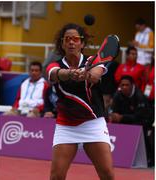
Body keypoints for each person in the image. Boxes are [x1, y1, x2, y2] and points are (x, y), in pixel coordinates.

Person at [46, 23, 114, 179]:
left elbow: (96, 74)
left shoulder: (93, 61)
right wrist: (70, 74)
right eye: (67, 39)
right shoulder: (55, 64)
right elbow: (55, 74)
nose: (71, 42)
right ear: (62, 44)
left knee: (107, 174)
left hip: (93, 123)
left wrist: (87, 74)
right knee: (56, 176)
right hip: (66, 125)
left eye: (75, 39)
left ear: (82, 43)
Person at [109, 75, 153, 167]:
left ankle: (149, 158)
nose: (124, 87)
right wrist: (113, 115)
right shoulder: (117, 95)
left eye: (127, 85)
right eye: (122, 85)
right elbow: (113, 110)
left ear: (132, 85)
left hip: (142, 122)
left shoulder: (140, 97)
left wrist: (122, 117)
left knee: (143, 129)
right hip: (124, 120)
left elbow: (141, 117)